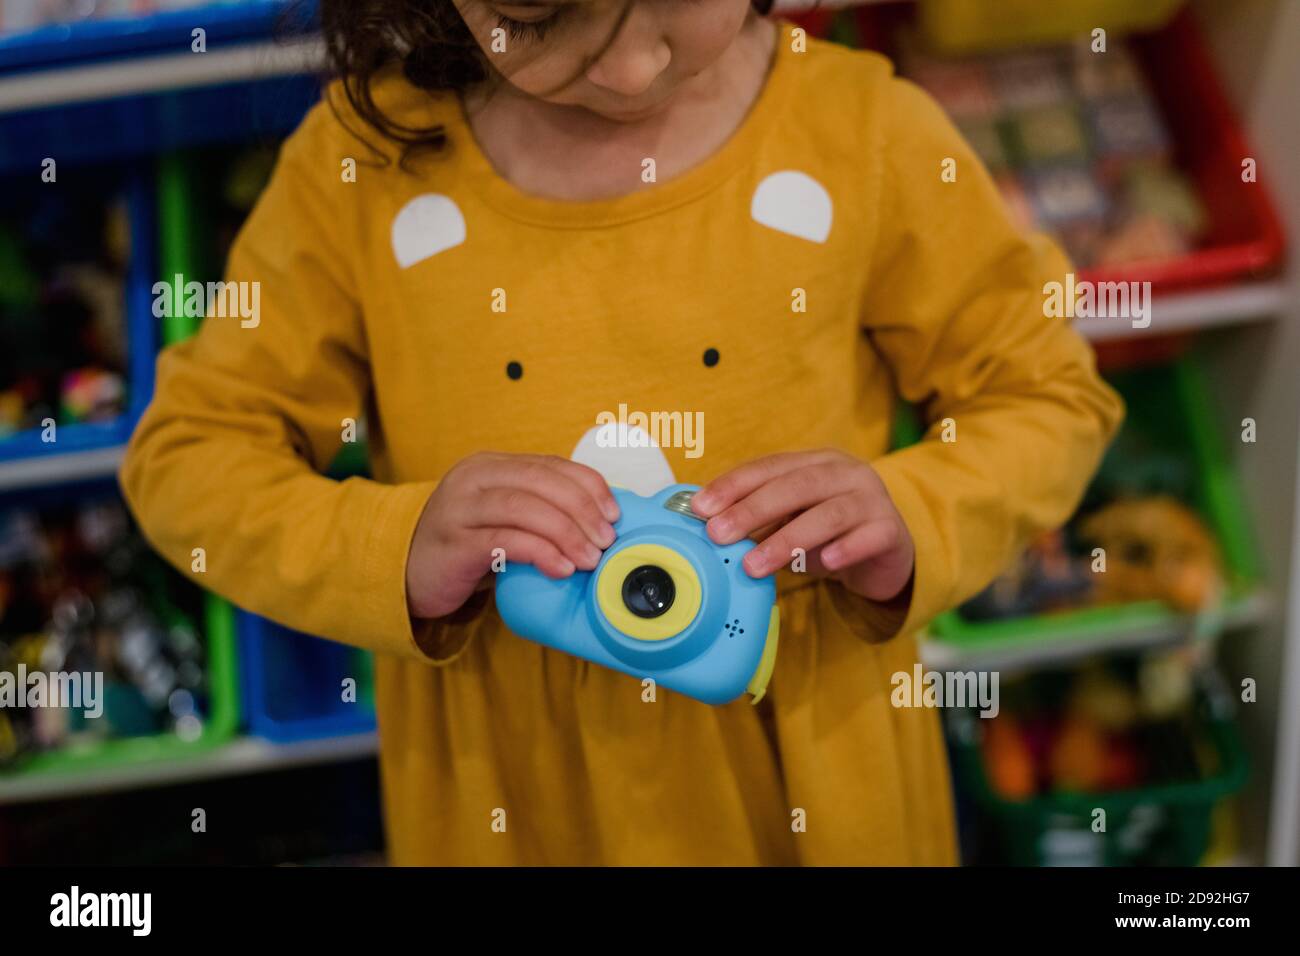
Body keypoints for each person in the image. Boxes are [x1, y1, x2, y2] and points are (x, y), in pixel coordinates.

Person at [121, 0, 1124, 864]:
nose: (632, 66)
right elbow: (187, 456)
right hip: (508, 793)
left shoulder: (865, 133)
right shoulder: (364, 161)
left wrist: (909, 511)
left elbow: (1046, 392)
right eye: (542, 18)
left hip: (821, 772)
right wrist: (397, 545)